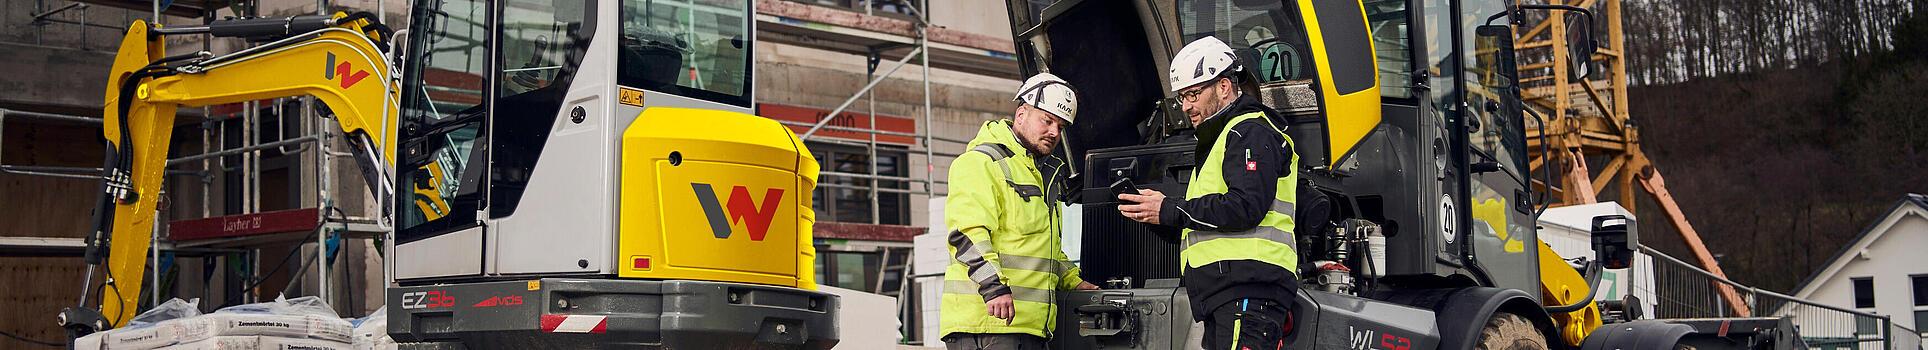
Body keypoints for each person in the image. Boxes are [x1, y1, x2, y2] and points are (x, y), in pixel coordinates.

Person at [1118, 36, 1302, 350]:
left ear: (1223, 87)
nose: (1186, 106)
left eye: (1192, 94)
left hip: (1247, 288)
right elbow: (1208, 223)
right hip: (1227, 292)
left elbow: (1245, 207)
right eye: (1182, 97)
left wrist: (1170, 209)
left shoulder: (1249, 131)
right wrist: (1156, 214)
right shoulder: (1222, 138)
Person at [939, 73, 1100, 350]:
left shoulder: (1040, 174)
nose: (1054, 132)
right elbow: (967, 234)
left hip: (1029, 327)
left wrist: (1073, 282)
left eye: (1060, 127)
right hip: (988, 324)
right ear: (1021, 113)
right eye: (1047, 120)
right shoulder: (982, 162)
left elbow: (1040, 249)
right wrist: (993, 288)